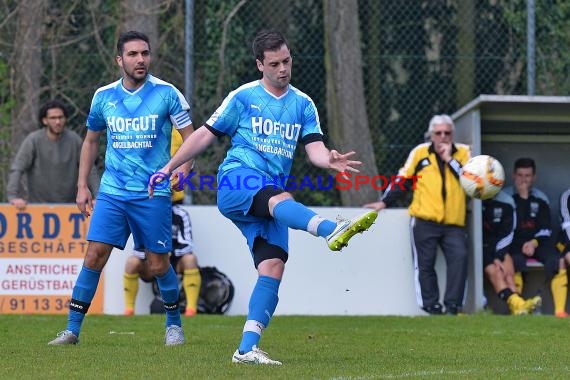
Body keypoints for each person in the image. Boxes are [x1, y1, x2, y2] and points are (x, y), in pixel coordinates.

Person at [148, 29, 377, 365]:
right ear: (260, 65)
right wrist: (169, 167)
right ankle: (331, 229)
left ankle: (246, 349)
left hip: (271, 197)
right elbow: (203, 135)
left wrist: (328, 159)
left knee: (272, 267)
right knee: (275, 197)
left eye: (286, 61)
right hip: (236, 179)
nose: (283, 68)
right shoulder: (242, 97)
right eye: (275, 64)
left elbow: (314, 149)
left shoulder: (302, 103)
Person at [48, 31, 194, 346]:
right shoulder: (104, 96)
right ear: (119, 60)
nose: (140, 59)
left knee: (157, 264)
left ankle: (173, 325)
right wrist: (82, 185)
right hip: (113, 192)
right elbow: (90, 141)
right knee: (94, 256)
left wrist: (184, 167)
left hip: (152, 193)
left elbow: (191, 136)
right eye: (132, 54)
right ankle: (72, 330)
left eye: (145, 53)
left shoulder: (168, 94)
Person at [364, 115, 470, 315]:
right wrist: (384, 201)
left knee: (460, 259)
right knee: (424, 264)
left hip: (454, 222)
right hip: (424, 219)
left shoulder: (464, 153)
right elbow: (402, 180)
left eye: (447, 133)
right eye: (438, 133)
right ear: (431, 135)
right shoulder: (420, 152)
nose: (443, 137)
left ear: (452, 134)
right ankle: (431, 306)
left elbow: (470, 179)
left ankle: (453, 306)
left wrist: (449, 159)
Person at [123, 131, 201, 317]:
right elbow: (139, 247)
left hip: (173, 259)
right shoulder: (144, 129)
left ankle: (191, 309)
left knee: (190, 259)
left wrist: (166, 251)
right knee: (132, 262)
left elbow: (186, 246)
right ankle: (128, 310)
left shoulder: (180, 214)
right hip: (152, 260)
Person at [6, 100, 99, 209]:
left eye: (61, 117)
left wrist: (98, 197)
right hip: (37, 207)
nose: (58, 122)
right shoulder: (34, 140)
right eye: (53, 118)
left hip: (69, 208)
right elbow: (17, 168)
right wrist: (13, 197)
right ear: (45, 120)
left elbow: (90, 168)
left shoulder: (74, 140)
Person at [503, 158, 566, 317]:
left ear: (534, 177)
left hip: (537, 243)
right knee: (514, 260)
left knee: (557, 260)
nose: (524, 179)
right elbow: (506, 227)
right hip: (513, 243)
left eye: (528, 175)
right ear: (513, 176)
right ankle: (516, 309)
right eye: (520, 175)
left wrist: (533, 242)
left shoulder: (541, 198)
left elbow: (546, 228)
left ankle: (559, 311)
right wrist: (523, 198)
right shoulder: (505, 197)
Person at [482, 190, 541, 315]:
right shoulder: (474, 200)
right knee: (497, 272)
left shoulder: (505, 202)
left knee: (509, 273)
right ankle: (518, 304)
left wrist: (498, 255)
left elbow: (508, 233)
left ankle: (517, 308)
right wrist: (495, 258)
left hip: (497, 248)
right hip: (481, 248)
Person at [555, 187, 570, 317]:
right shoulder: (567, 196)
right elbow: (567, 225)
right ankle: (559, 311)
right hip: (566, 242)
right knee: (565, 258)